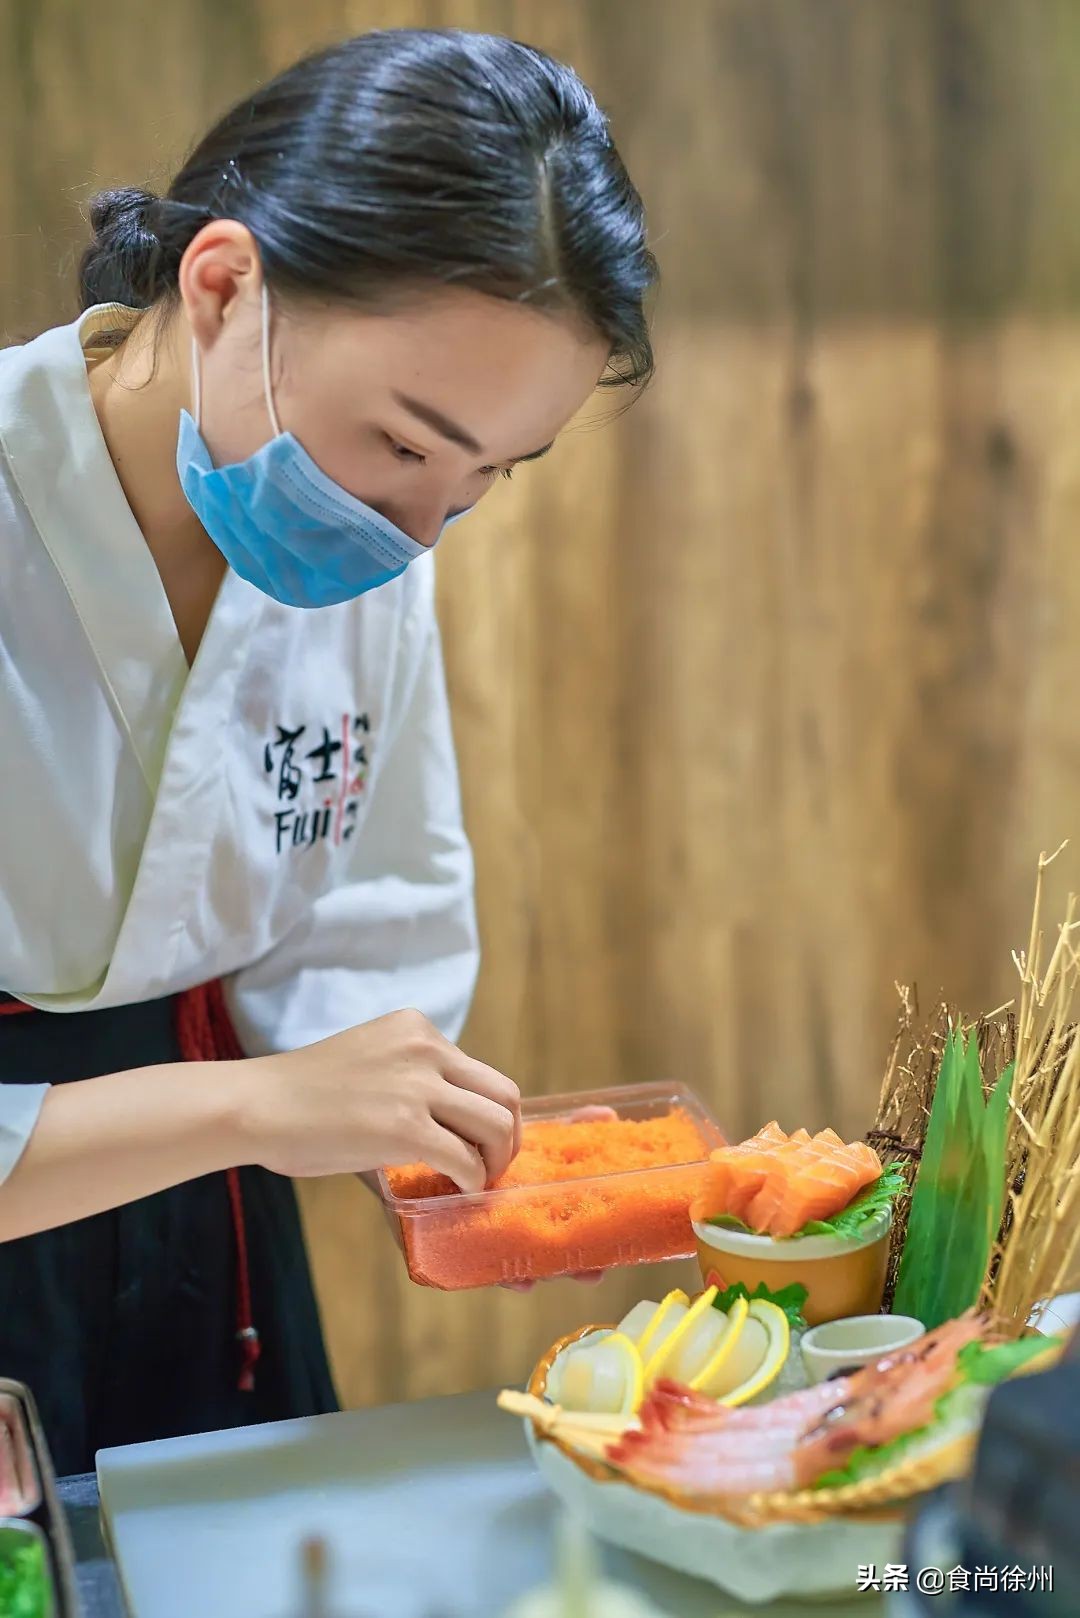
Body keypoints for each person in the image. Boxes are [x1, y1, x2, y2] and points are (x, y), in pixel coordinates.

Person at [0, 27, 656, 1474]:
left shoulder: (363, 554)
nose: (417, 529)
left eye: (485, 479)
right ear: (224, 286)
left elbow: (368, 926)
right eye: (402, 443)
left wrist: (438, 1162)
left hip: (211, 1239)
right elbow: (277, 1087)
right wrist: (255, 1103)